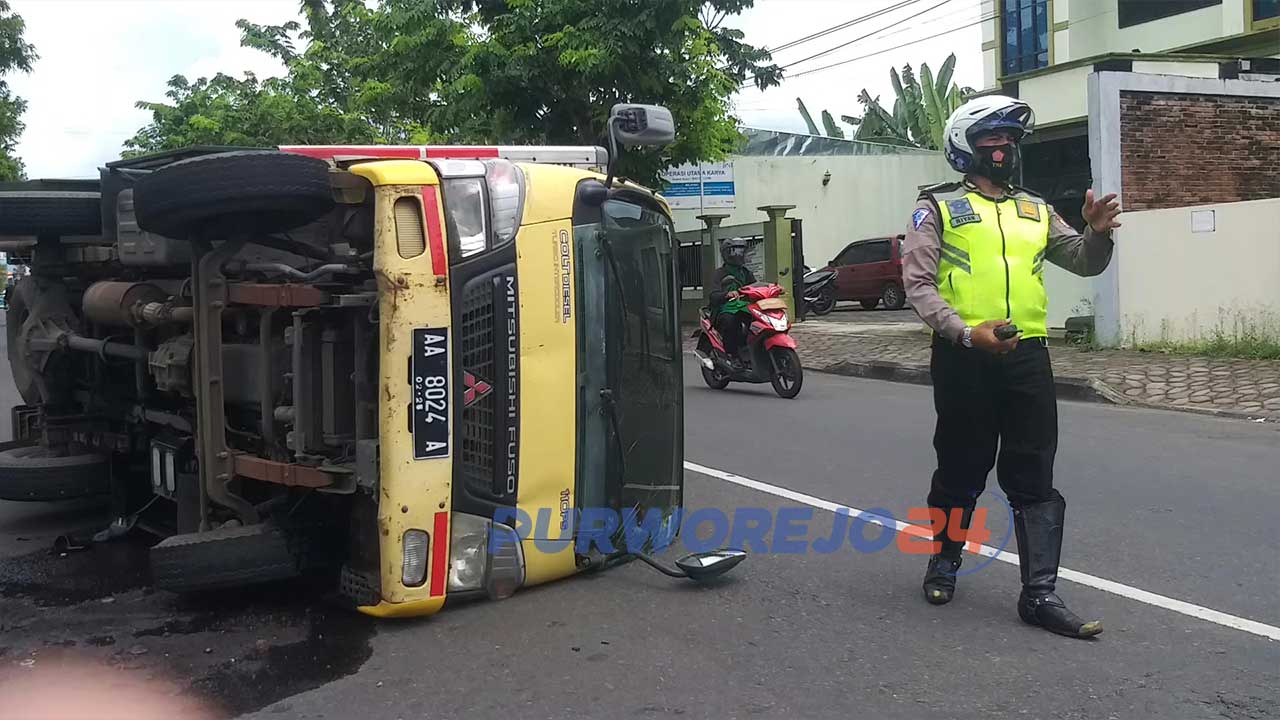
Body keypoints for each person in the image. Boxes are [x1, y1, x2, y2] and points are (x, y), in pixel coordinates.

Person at [901, 95, 1122, 639]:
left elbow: (1083, 261)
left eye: (1009, 142)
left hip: (1027, 359)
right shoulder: (938, 207)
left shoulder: (1036, 208)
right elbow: (918, 285)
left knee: (1034, 475)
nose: (1002, 151)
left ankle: (1040, 594)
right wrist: (961, 331)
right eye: (991, 142)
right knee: (960, 468)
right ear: (965, 147)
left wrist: (1096, 232)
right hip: (964, 358)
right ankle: (945, 561)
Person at [707, 237, 756, 367]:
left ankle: (754, 351)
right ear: (726, 253)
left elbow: (755, 287)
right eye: (735, 252)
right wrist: (726, 294)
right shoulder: (720, 273)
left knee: (758, 322)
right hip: (724, 309)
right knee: (731, 322)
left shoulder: (746, 273)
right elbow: (713, 295)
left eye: (741, 252)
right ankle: (732, 354)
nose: (739, 255)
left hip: (745, 307)